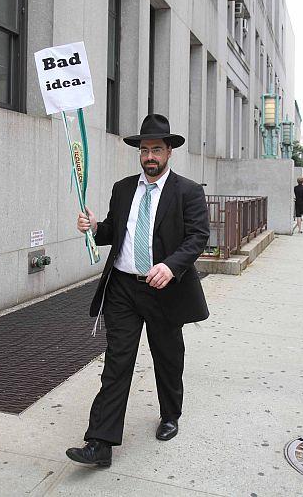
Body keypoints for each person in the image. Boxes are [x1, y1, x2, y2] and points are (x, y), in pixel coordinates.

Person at [66, 114, 210, 467]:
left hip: (164, 288)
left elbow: (198, 237)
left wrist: (170, 266)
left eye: (156, 149)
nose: (149, 156)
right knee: (117, 363)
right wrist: (94, 227)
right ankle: (100, 442)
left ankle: (170, 414)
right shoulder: (124, 187)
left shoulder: (187, 192)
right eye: (144, 150)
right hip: (123, 289)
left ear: (169, 152)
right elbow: (114, 231)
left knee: (168, 356)